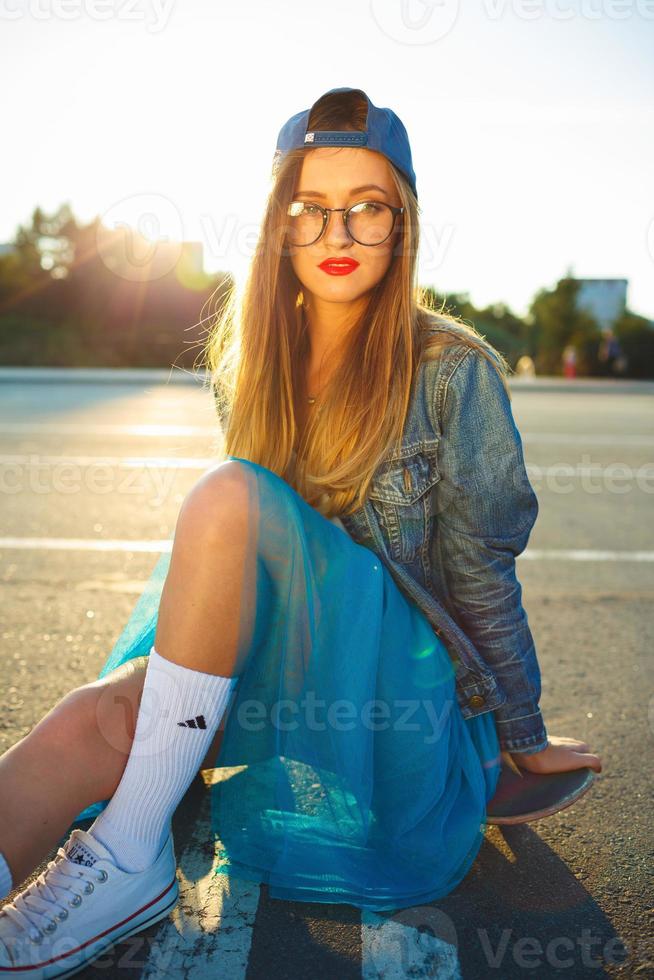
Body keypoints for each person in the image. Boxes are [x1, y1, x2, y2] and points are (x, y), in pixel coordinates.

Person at [0, 87, 603, 974]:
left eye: (369, 209)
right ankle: (120, 846)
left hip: (398, 693)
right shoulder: (250, 367)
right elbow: (250, 570)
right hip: (283, 664)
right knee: (98, 722)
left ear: (402, 226)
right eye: (311, 210)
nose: (340, 234)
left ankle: (133, 858)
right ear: (280, 226)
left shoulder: (453, 370)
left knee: (225, 495)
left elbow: (481, 571)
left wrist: (521, 729)